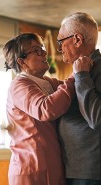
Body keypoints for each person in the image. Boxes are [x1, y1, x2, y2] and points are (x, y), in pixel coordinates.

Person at [3, 32, 75, 185]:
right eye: (36, 50)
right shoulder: (20, 85)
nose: (44, 52)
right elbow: (45, 109)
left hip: (49, 165)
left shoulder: (48, 82)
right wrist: (75, 75)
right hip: (31, 169)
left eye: (42, 48)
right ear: (22, 62)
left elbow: (69, 91)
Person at [57, 12, 101, 185]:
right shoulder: (81, 68)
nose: (59, 48)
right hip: (78, 170)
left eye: (61, 41)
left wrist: (82, 76)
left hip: (91, 173)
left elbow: (98, 119)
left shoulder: (94, 70)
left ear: (77, 39)